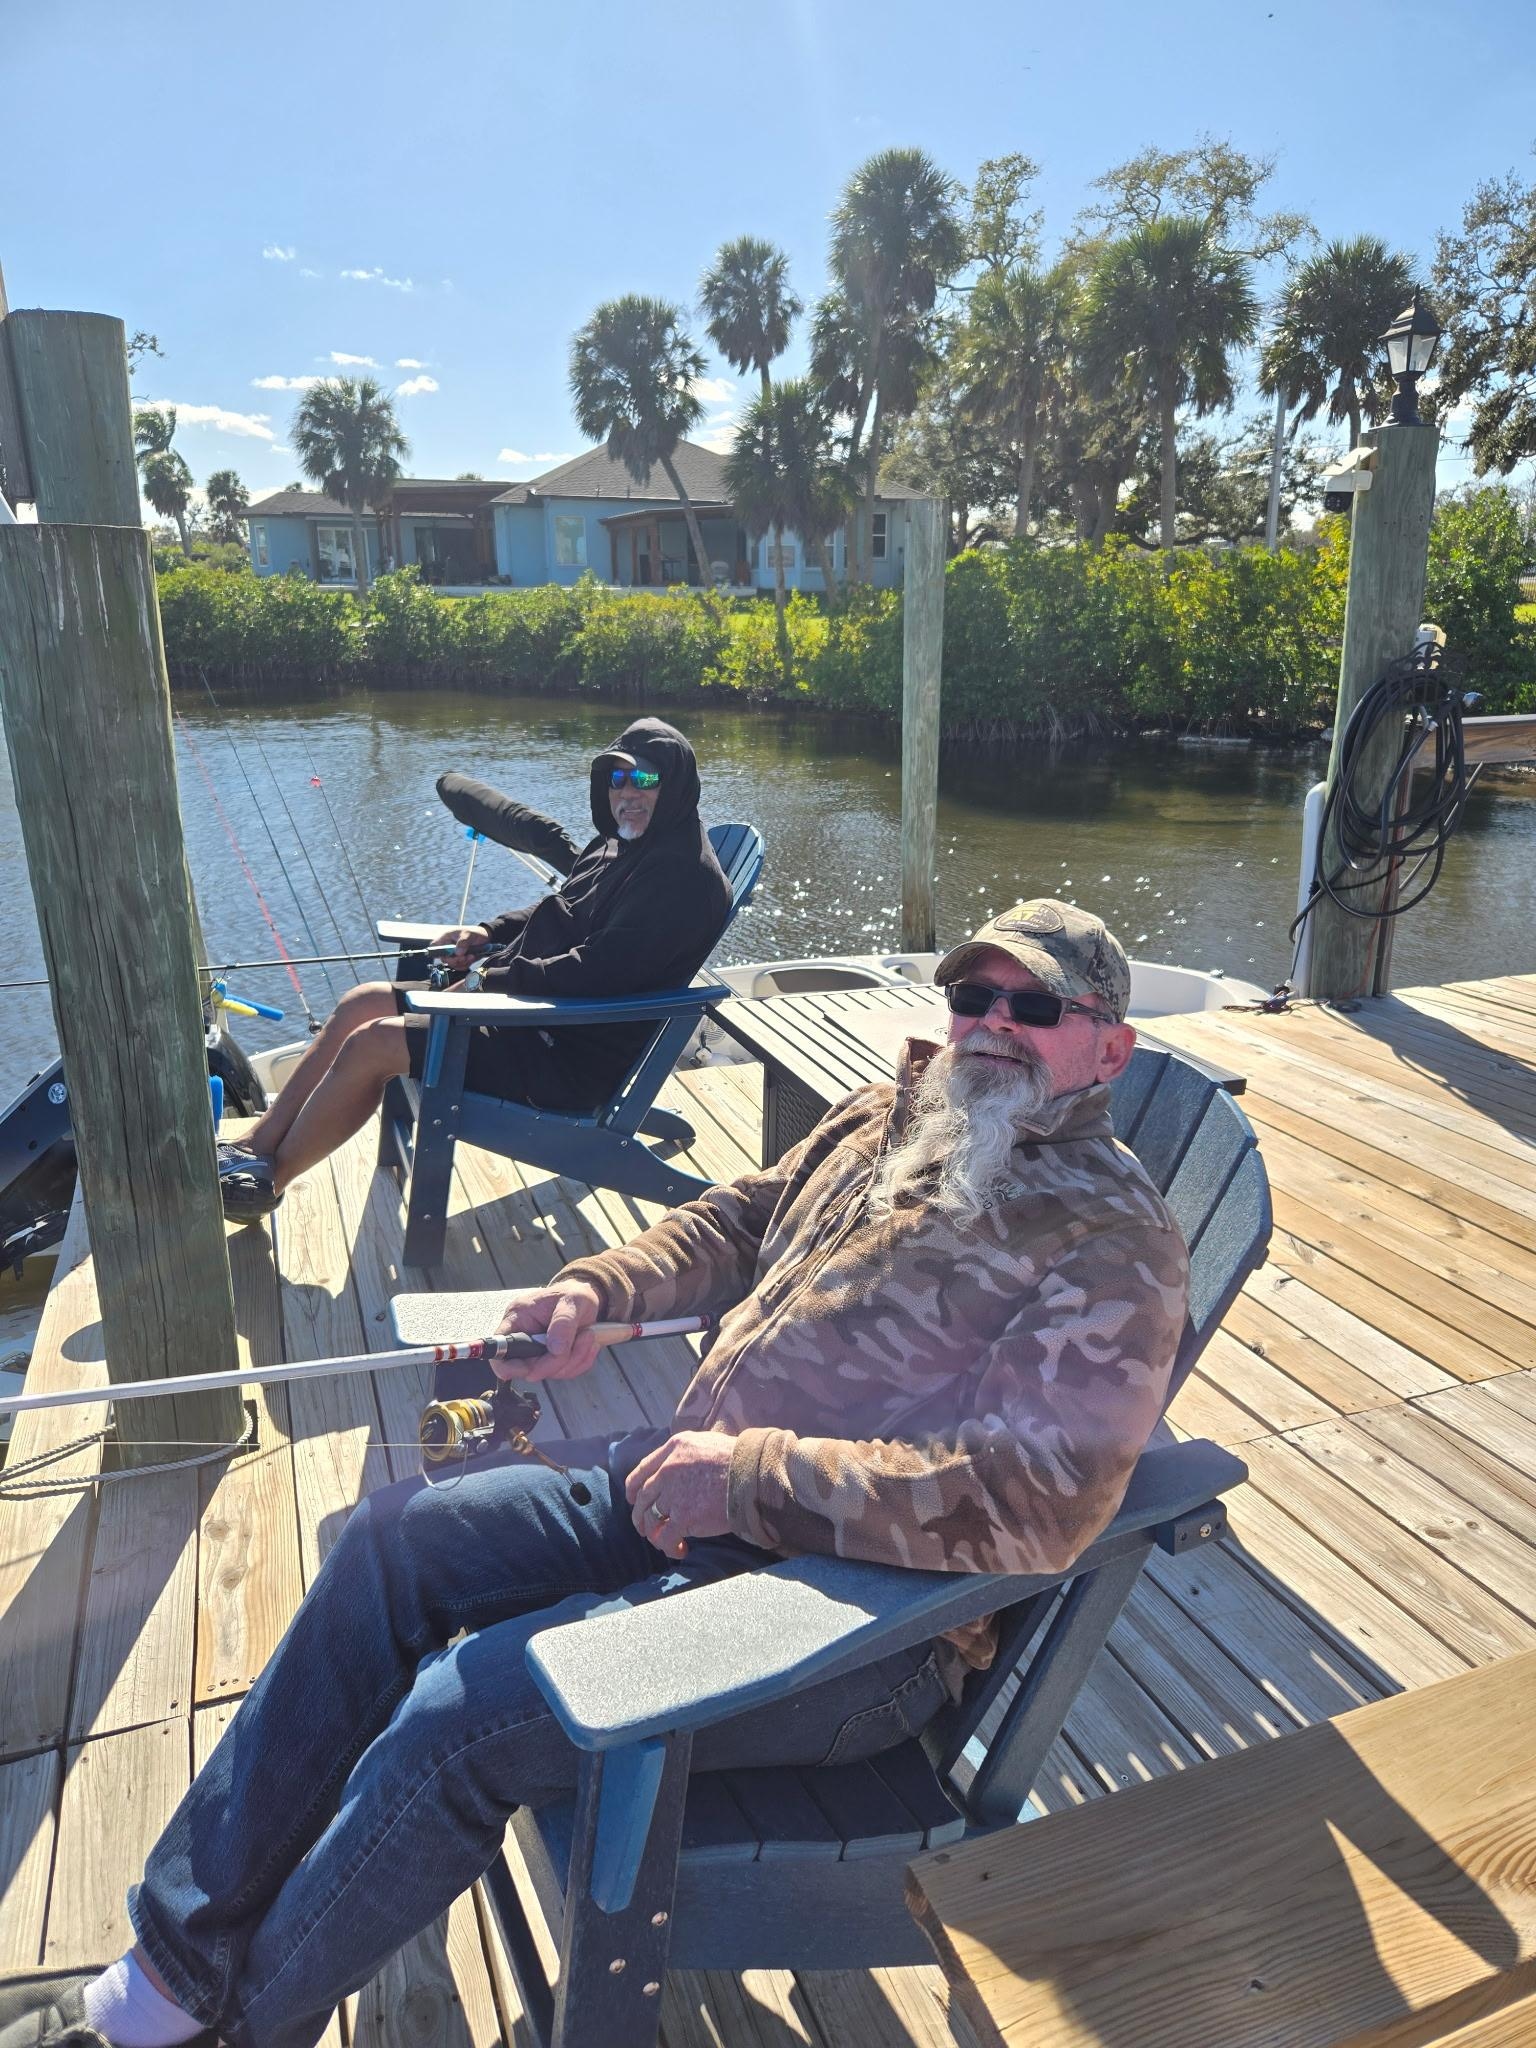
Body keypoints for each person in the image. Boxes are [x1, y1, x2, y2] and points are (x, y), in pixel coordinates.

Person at [2, 900, 1189, 2048]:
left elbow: (1034, 1501)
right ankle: (168, 1971)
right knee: (387, 1545)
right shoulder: (901, 1112)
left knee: (464, 1715)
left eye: (1035, 1003)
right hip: (686, 1490)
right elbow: (738, 1222)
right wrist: (596, 1291)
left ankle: (228, 2027)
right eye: (973, 991)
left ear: (1110, 1046)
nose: (991, 1019)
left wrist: (752, 1477)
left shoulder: (1109, 1238)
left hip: (855, 1624)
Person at [216, 717, 730, 1222]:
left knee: (373, 1043)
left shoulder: (681, 878)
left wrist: (489, 980)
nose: (628, 793)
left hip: (567, 1051)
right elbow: (561, 911)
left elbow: (598, 972)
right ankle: (254, 1144)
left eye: (645, 779)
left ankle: (265, 1182)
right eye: (617, 778)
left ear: (677, 784)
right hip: (532, 1014)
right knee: (363, 1003)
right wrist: (487, 932)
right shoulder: (622, 843)